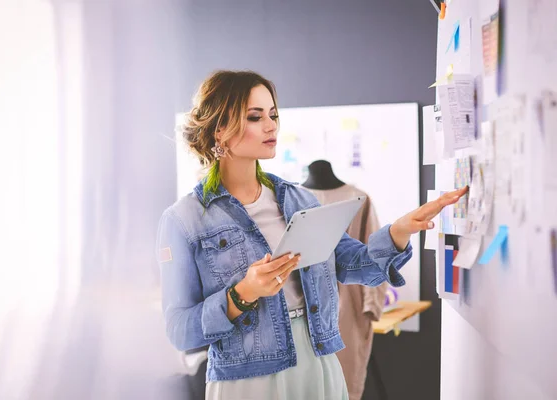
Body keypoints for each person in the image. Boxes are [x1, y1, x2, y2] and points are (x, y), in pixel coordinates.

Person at [157, 70, 467, 400]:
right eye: (254, 116)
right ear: (220, 128)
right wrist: (241, 294)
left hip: (318, 362)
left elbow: (354, 264)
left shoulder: (299, 199)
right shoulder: (184, 219)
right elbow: (179, 330)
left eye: (273, 115)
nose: (271, 125)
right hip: (247, 378)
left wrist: (398, 231)